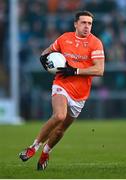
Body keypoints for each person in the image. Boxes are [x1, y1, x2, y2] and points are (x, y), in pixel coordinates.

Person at [19, 10, 105, 171]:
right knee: (59, 115)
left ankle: (46, 152)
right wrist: (43, 59)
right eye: (83, 23)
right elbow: (46, 53)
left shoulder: (95, 43)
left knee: (59, 131)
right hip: (62, 85)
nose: (87, 26)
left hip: (80, 95)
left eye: (90, 23)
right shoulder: (65, 38)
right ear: (75, 24)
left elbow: (99, 70)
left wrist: (75, 71)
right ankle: (33, 147)